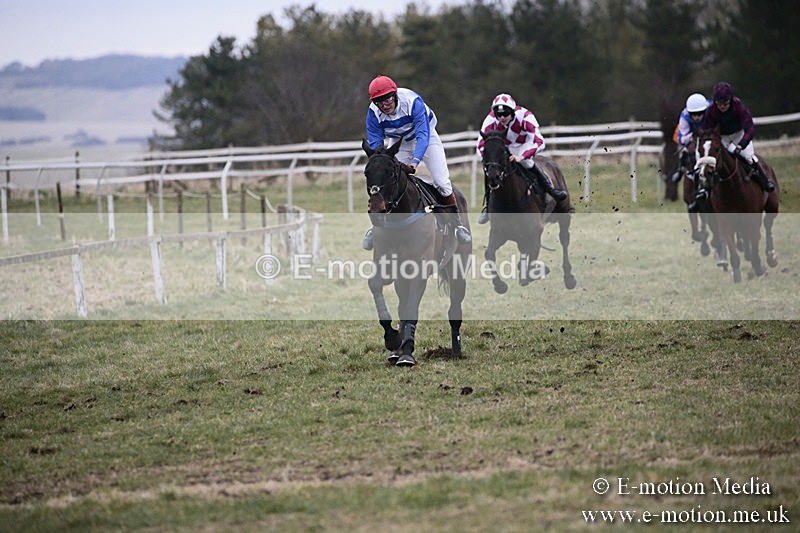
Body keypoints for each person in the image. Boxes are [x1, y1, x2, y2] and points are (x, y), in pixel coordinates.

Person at [361, 75, 471, 250]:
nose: (384, 104)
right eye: (379, 101)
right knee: (389, 181)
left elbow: (423, 136)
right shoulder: (373, 113)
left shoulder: (413, 102)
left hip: (426, 139)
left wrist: (415, 162)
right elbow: (376, 145)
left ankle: (457, 224)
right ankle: (377, 228)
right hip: (400, 142)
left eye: (387, 98)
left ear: (395, 95)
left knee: (442, 182)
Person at [475, 93, 567, 224]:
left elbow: (539, 141)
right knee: (491, 171)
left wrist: (521, 156)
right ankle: (488, 207)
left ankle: (550, 190)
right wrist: (488, 161)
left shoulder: (525, 116)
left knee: (527, 163)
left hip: (524, 145)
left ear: (512, 112)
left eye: (505, 114)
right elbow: (480, 144)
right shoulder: (490, 119)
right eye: (498, 115)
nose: (501, 118)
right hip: (503, 148)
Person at [698, 81, 775, 200]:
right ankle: (705, 189)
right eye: (719, 104)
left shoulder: (738, 106)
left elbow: (749, 127)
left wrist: (741, 145)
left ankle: (764, 182)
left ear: (731, 100)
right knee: (714, 160)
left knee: (748, 157)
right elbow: (707, 129)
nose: (722, 106)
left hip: (739, 134)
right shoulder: (711, 110)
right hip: (722, 137)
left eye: (725, 103)